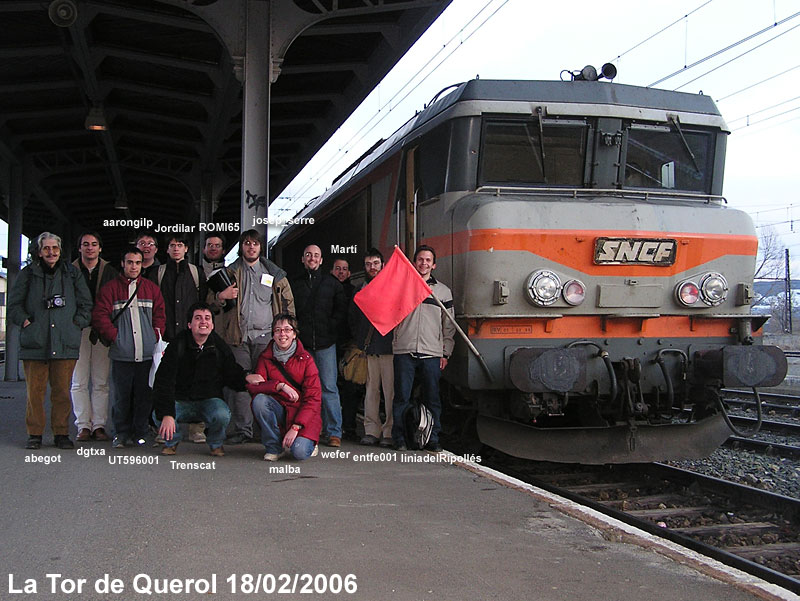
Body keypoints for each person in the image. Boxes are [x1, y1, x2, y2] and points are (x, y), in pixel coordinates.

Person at [8, 232, 93, 450]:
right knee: (34, 393)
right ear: (38, 251)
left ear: (60, 250)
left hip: (65, 341)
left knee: (62, 392)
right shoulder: (28, 274)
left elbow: (86, 303)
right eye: (46, 248)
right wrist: (27, 322)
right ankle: (34, 434)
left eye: (55, 248)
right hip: (35, 342)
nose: (51, 252)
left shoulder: (72, 274)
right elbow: (14, 306)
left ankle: (61, 433)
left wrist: (76, 324)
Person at [213, 229, 294, 444]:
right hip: (238, 336)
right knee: (240, 383)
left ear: (260, 247)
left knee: (266, 384)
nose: (251, 247)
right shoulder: (229, 273)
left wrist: (288, 332)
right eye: (247, 243)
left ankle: (264, 430)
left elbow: (288, 306)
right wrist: (221, 296)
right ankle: (242, 430)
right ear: (242, 247)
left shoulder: (275, 275)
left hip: (266, 337)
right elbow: (211, 304)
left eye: (255, 244)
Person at [153, 302, 264, 456]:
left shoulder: (218, 346)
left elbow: (231, 372)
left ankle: (216, 444)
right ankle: (172, 442)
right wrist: (167, 413)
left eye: (207, 318)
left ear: (212, 325)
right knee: (158, 414)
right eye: (198, 318)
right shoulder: (177, 345)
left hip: (208, 401)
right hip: (180, 401)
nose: (203, 322)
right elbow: (163, 382)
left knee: (222, 414)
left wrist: (246, 377)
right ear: (190, 325)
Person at [93, 247, 166, 448]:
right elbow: (100, 316)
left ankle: (140, 433)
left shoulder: (151, 289)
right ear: (123, 264)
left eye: (137, 262)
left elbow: (160, 315)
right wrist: (116, 337)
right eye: (130, 262)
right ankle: (121, 433)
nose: (134, 266)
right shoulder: (110, 289)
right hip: (121, 354)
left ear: (142, 265)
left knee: (144, 396)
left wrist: (154, 336)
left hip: (146, 353)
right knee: (121, 397)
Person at [391, 245, 455, 452]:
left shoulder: (443, 292)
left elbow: (449, 324)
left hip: (432, 352)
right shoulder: (401, 287)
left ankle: (433, 439)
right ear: (414, 262)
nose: (424, 263)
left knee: (432, 398)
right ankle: (399, 438)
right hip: (404, 349)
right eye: (420, 260)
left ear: (433, 265)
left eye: (428, 260)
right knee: (401, 396)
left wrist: (446, 352)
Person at [290, 244, 346, 447]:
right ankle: (309, 429)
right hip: (303, 345)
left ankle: (333, 432)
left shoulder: (332, 284)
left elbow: (341, 311)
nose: (312, 258)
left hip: (325, 344)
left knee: (329, 388)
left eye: (316, 255)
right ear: (302, 259)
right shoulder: (294, 284)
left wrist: (330, 330)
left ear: (321, 260)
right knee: (306, 389)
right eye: (308, 255)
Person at [248, 313, 322, 461]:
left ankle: (311, 443)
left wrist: (296, 427)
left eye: (287, 330)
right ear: (273, 335)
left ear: (294, 334)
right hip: (280, 409)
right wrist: (279, 386)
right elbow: (255, 387)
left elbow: (313, 399)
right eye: (278, 330)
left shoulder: (306, 360)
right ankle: (274, 447)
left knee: (299, 453)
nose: (283, 334)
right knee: (259, 401)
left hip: (302, 415)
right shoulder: (265, 357)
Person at [70, 231, 117, 442]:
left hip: (102, 331)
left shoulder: (111, 272)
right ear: (79, 248)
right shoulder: (68, 271)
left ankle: (99, 425)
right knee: (78, 381)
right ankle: (83, 425)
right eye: (85, 244)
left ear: (100, 248)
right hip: (76, 330)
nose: (90, 247)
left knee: (101, 381)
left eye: (94, 244)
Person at [349, 249, 394, 447]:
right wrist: (360, 343)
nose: (372, 267)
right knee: (371, 391)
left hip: (390, 347)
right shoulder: (359, 291)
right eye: (368, 264)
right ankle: (371, 430)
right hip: (369, 348)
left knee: (390, 392)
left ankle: (389, 431)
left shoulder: (392, 289)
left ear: (383, 265)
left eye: (375, 263)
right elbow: (353, 320)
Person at [331, 256, 358, 441]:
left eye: (344, 269)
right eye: (338, 268)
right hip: (330, 345)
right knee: (330, 387)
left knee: (351, 389)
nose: (341, 272)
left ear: (349, 273)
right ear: (332, 271)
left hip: (350, 346)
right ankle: (331, 427)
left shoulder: (356, 293)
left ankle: (349, 427)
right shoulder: (325, 289)